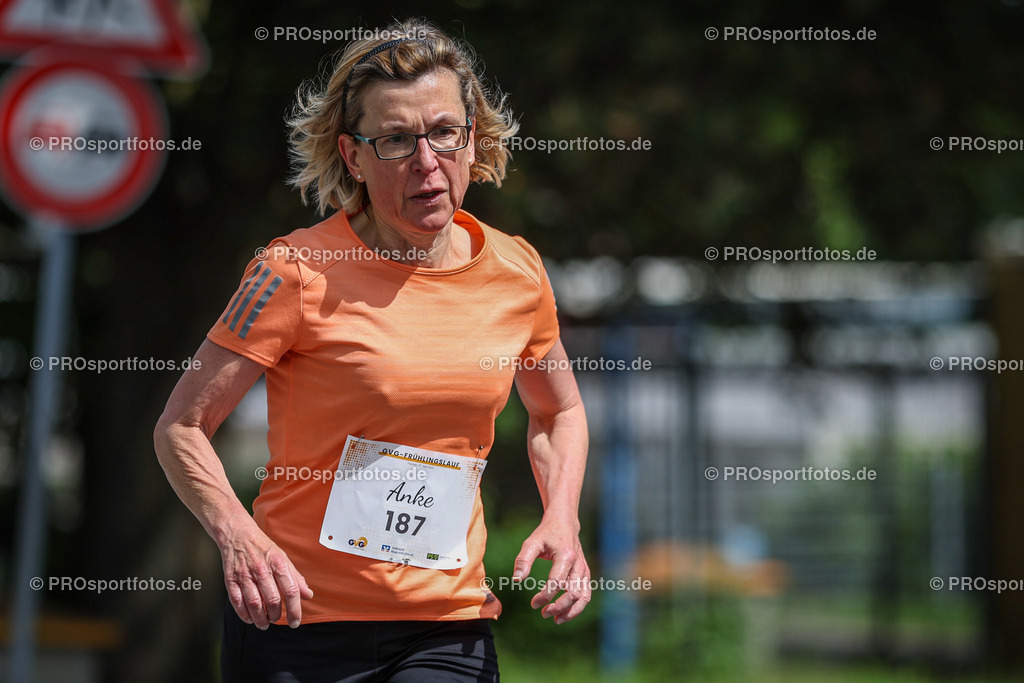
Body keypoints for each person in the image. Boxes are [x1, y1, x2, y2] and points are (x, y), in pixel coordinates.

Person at [154, 17, 590, 682]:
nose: (426, 162)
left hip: (447, 625)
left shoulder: (517, 271)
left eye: (444, 133)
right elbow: (181, 427)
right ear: (353, 155)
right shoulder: (293, 270)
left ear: (472, 142)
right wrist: (239, 535)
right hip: (298, 625)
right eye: (395, 140)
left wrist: (563, 517)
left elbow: (558, 413)